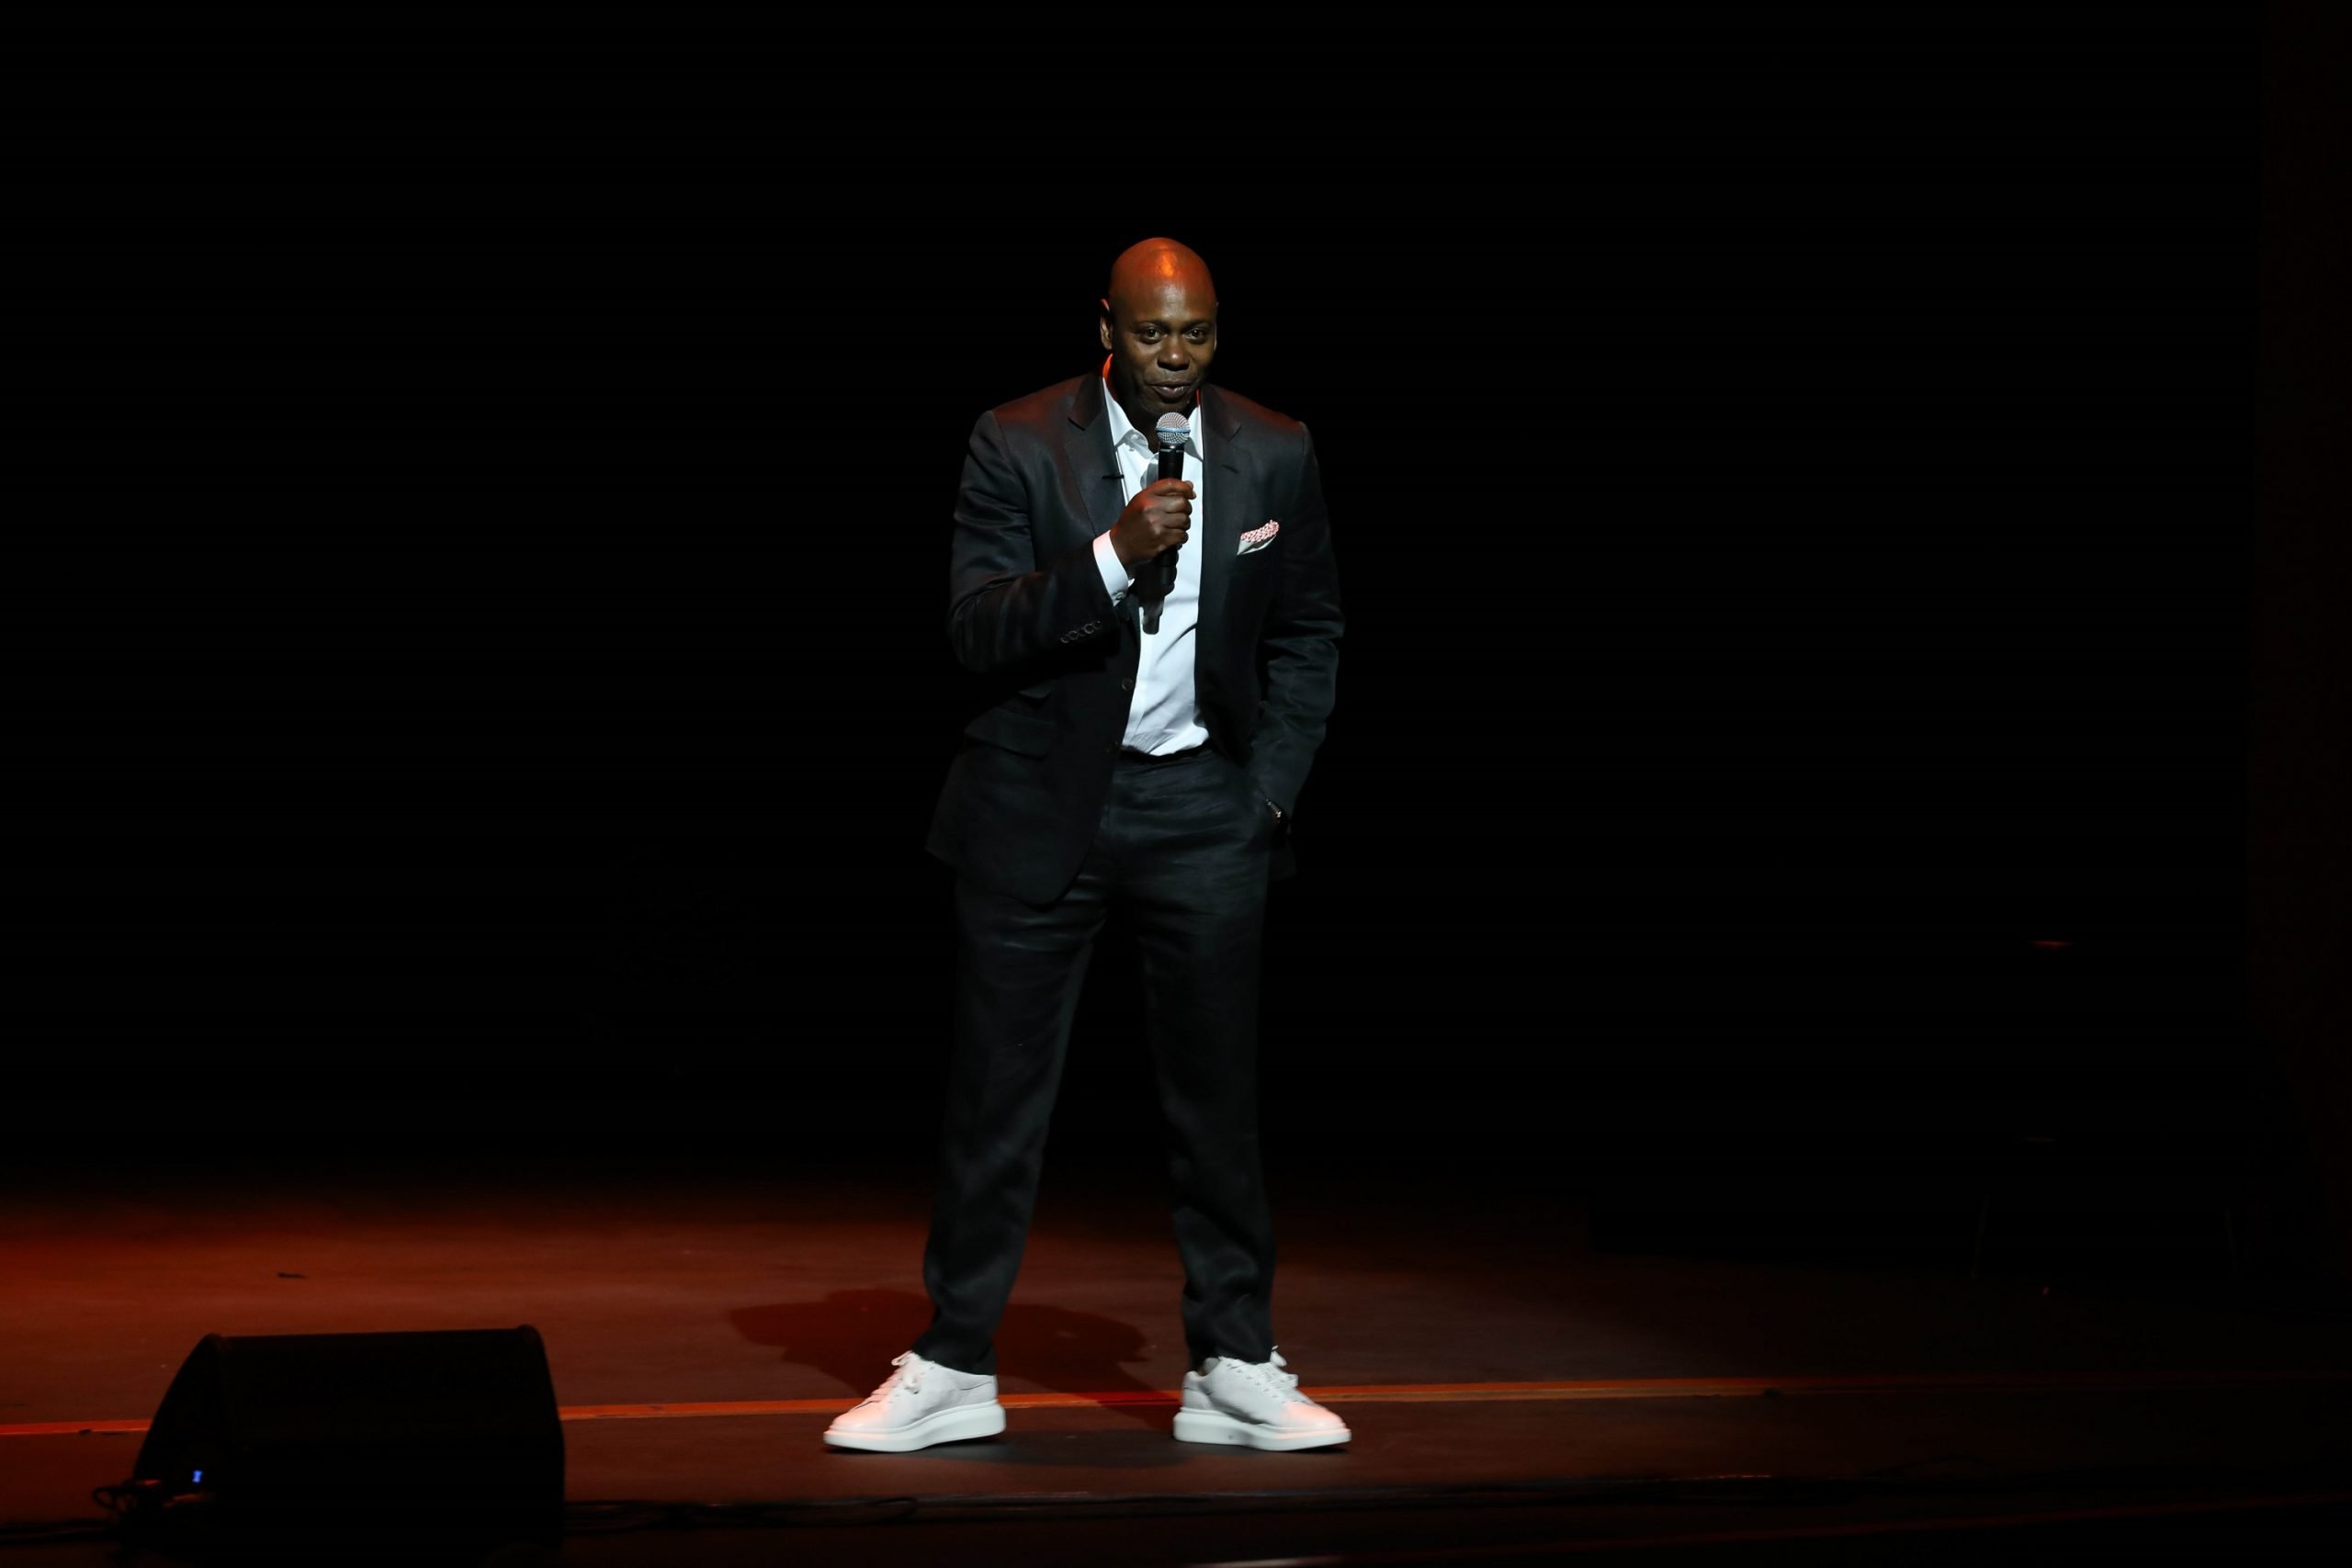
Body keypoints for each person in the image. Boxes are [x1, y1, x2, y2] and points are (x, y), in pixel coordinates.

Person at [823, 238, 1347, 1453]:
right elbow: (976, 627)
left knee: (1218, 1107)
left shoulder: (1275, 447)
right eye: (1156, 334)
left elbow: (1311, 632)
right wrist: (1115, 553)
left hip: (1203, 814)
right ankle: (954, 1366)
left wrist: (1263, 795)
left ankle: (1234, 1363)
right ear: (1104, 328)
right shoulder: (1015, 440)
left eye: (1200, 335)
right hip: (1038, 812)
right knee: (997, 1103)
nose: (1178, 359)